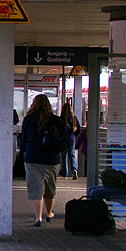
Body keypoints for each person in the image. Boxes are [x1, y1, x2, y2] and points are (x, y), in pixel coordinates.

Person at [20, 94, 64, 226]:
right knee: (50, 188)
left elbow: (23, 140)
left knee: (36, 188)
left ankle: (38, 217)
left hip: (33, 157)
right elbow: (64, 137)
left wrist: (26, 150)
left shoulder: (28, 119)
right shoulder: (55, 120)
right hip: (52, 158)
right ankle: (49, 213)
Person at [59, 102, 81, 179]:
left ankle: (65, 173)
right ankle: (74, 170)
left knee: (64, 156)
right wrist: (74, 135)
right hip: (71, 139)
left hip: (63, 139)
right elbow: (79, 129)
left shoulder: (61, 118)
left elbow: (59, 130)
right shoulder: (74, 118)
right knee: (72, 155)